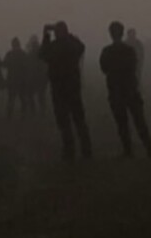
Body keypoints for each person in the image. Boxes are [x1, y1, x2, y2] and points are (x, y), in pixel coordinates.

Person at [40, 21, 91, 160]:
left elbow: (43, 54)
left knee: (64, 121)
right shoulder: (72, 45)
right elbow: (82, 47)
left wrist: (45, 35)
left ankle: (69, 150)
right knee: (79, 119)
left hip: (58, 88)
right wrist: (70, 36)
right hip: (73, 87)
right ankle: (87, 150)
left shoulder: (54, 46)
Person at [100, 21, 151, 158]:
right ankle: (148, 147)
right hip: (130, 90)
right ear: (123, 33)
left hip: (116, 91)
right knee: (139, 121)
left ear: (111, 34)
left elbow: (104, 69)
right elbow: (134, 66)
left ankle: (128, 150)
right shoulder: (129, 51)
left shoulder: (107, 51)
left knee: (122, 123)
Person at [3, 38, 31, 117]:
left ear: (12, 45)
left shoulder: (9, 54)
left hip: (12, 80)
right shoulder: (23, 54)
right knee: (22, 99)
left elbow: (4, 64)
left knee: (11, 99)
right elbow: (27, 67)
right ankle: (23, 115)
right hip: (21, 80)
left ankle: (9, 116)